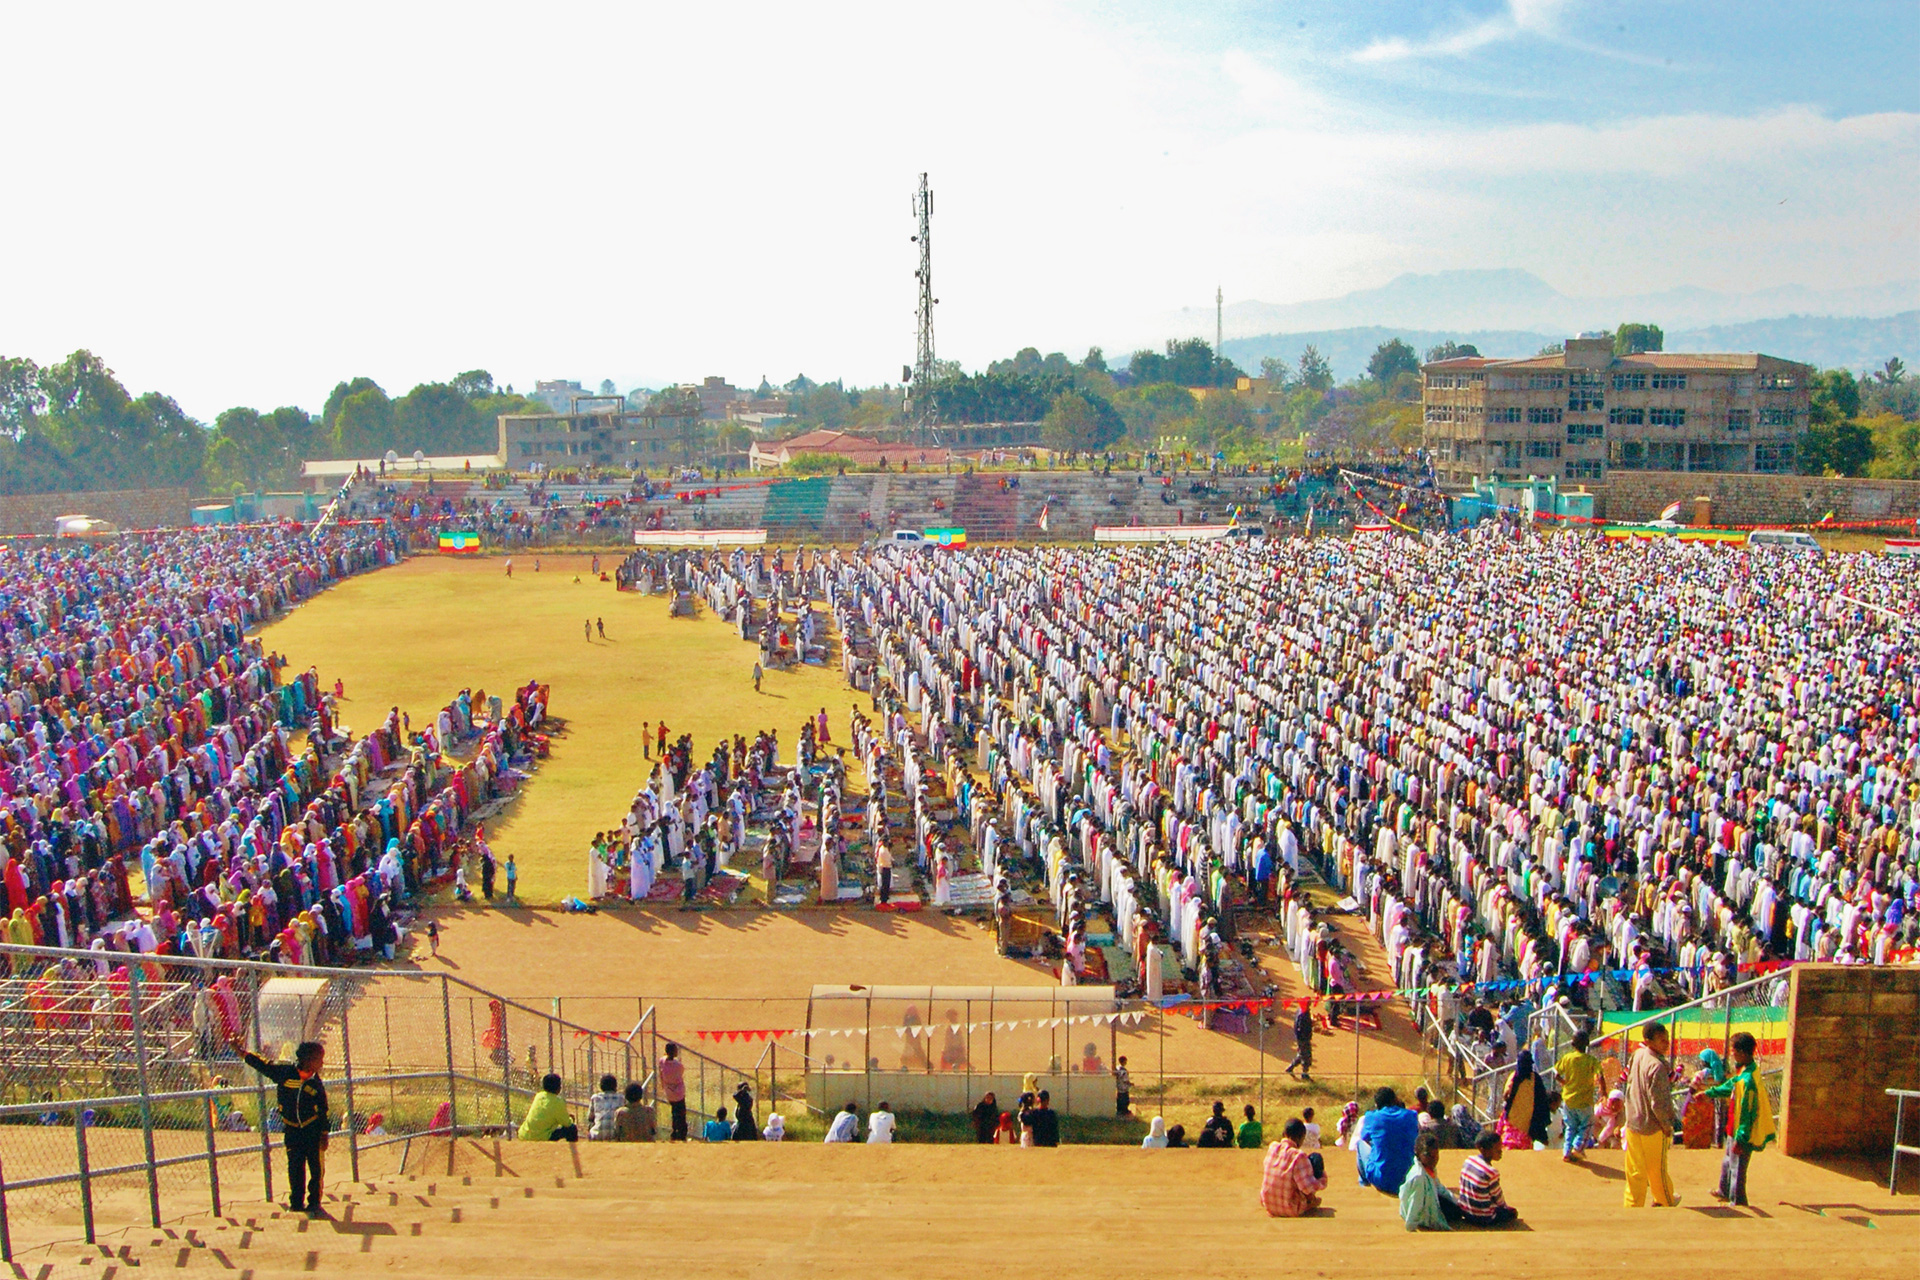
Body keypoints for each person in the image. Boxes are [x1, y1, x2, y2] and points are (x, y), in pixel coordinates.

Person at [235, 1036, 329, 1216]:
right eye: (318, 1059)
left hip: (312, 1130)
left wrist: (324, 1134)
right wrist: (241, 1052)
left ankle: (314, 1201)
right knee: (295, 1165)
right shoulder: (285, 1073)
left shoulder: (316, 1083)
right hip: (292, 1129)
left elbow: (323, 1110)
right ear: (307, 1060)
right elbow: (263, 1065)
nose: (321, 1063)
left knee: (315, 1167)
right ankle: (296, 1202)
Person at [1702, 1031, 1776, 1206]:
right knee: (1728, 1161)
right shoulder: (1744, 1072)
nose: (1731, 1054)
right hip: (1733, 1127)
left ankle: (1738, 1201)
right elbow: (1730, 1085)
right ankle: (1724, 1190)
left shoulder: (1748, 1080)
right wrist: (1709, 1093)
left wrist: (1741, 1138)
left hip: (1741, 1131)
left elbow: (1747, 1112)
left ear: (1742, 1053)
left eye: (1734, 1050)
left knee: (1737, 1168)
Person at [1623, 1023, 1678, 1207]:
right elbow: (1658, 1102)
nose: (1666, 1043)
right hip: (1652, 1125)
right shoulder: (1657, 1066)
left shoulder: (1638, 1055)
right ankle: (1665, 1199)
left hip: (1633, 1119)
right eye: (1662, 1040)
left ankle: (1633, 1203)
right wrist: (1666, 1124)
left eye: (1667, 1039)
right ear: (1648, 1041)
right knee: (1657, 1169)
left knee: (1635, 1169)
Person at [1259, 1118, 1329, 1218]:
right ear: (1301, 1138)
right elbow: (1307, 1188)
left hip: (1269, 1205)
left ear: (1284, 1133)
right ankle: (1310, 1201)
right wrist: (1323, 1179)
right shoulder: (1298, 1156)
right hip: (1291, 1208)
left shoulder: (1272, 1147)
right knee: (1315, 1158)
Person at [1355, 1087, 1420, 1194]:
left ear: (1377, 1104)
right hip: (1408, 1178)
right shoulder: (1411, 1115)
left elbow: (1364, 1138)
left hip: (1382, 1181)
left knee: (1360, 1144)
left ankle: (1364, 1182)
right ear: (1395, 1100)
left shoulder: (1372, 1117)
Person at [1456, 1128, 1518, 1227]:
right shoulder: (1490, 1172)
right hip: (1483, 1218)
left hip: (1465, 1212)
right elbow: (1499, 1199)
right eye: (1497, 1149)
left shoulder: (1468, 1160)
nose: (1500, 1151)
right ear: (1484, 1150)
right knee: (1512, 1213)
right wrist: (1506, 1209)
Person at [1555, 1030, 1601, 1161]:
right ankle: (1578, 1147)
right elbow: (1600, 1075)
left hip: (1568, 1099)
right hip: (1584, 1100)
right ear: (1587, 1044)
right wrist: (1603, 1090)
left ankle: (1567, 1152)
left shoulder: (1567, 1058)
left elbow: (1557, 1074)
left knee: (1570, 1127)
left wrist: (1566, 1084)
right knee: (1587, 1125)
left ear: (1572, 1044)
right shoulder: (1591, 1060)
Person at [1399, 1131, 1457, 1230]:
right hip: (1422, 1216)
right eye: (1428, 1155)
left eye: (1436, 1155)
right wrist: (1411, 1225)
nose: (1433, 1159)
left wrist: (1456, 1200)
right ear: (1418, 1153)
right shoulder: (1419, 1177)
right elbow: (1415, 1203)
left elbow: (1438, 1187)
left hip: (1428, 1203)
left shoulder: (1429, 1168)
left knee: (1456, 1208)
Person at [1498, 1049, 1547, 1150]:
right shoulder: (1532, 1079)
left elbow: (1506, 1096)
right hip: (1521, 1120)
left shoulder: (1516, 1077)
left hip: (1521, 1120)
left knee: (1512, 1145)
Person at [519, 1074, 578, 1142]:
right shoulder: (558, 1102)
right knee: (572, 1129)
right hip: (541, 1137)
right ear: (558, 1088)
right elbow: (567, 1123)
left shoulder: (539, 1096)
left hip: (524, 1135)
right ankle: (570, 1150)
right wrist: (571, 1119)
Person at [659, 1042, 688, 1141]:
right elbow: (681, 1072)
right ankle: (681, 1135)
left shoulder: (662, 1062)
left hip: (669, 1092)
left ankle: (674, 1133)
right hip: (679, 1093)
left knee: (674, 1112)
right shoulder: (678, 1065)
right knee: (681, 1115)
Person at [588, 1074, 622, 1141]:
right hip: (615, 1135)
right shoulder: (621, 1098)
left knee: (591, 1124)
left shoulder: (595, 1098)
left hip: (597, 1135)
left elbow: (590, 1118)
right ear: (615, 1086)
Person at [1285, 1004, 1313, 1080]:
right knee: (1306, 1056)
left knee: (1301, 1054)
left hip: (1301, 1038)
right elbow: (1301, 1028)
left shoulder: (1301, 1011)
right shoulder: (1303, 1014)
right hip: (1303, 1039)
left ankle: (1291, 1067)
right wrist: (1305, 1037)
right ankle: (1304, 1073)